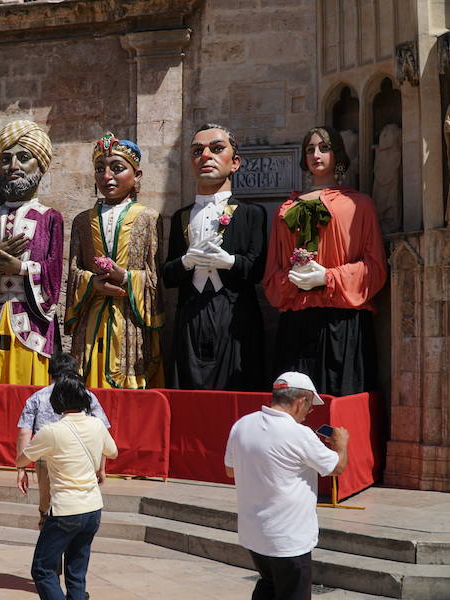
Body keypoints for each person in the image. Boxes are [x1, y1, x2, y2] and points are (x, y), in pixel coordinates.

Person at [263, 125, 387, 396]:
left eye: (324, 147)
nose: (316, 154)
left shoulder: (359, 205)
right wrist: (290, 282)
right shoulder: (286, 209)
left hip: (342, 322)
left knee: (339, 404)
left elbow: (375, 267)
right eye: (310, 149)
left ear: (337, 154)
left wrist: (327, 277)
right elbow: (272, 271)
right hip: (297, 321)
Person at [225, 372, 349, 600]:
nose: (309, 413)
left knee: (269, 585)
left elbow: (230, 470)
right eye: (310, 406)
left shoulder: (242, 425)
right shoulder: (300, 435)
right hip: (288, 538)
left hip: (255, 534)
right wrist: (341, 445)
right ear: (300, 402)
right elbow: (337, 467)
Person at [163, 123, 267, 391]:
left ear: (235, 162)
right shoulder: (180, 218)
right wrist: (186, 262)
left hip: (234, 314)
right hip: (191, 313)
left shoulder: (251, 214)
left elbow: (259, 269)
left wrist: (229, 262)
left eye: (217, 149)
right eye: (198, 151)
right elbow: (167, 275)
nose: (206, 156)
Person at [65, 132, 165, 389]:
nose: (107, 176)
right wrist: (92, 283)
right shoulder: (82, 221)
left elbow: (154, 276)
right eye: (100, 169)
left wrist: (128, 278)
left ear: (137, 176)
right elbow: (74, 270)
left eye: (117, 168)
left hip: (130, 317)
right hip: (92, 317)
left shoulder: (149, 218)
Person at [0, 120, 64, 385]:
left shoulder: (50, 218)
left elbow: (54, 272)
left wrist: (20, 268)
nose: (13, 167)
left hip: (32, 329)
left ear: (40, 165)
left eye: (23, 158)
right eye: (6, 159)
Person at [17, 372, 118, 600]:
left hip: (66, 509)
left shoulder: (51, 431)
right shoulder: (96, 425)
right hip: (93, 508)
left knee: (42, 569)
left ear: (58, 400)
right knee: (76, 570)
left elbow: (22, 459)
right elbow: (112, 451)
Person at [16, 353, 111, 527]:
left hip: (45, 459)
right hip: (81, 459)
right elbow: (102, 432)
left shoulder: (37, 397)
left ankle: (48, 533)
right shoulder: (87, 396)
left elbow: (24, 433)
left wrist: (21, 468)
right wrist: (101, 467)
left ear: (50, 374)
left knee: (48, 507)